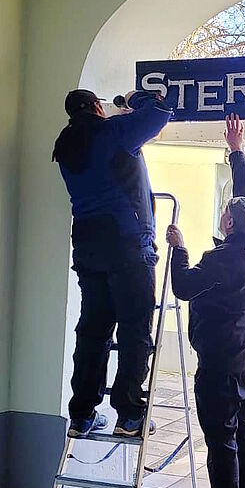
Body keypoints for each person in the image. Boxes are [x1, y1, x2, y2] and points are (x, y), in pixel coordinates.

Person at [165, 114, 245, 488]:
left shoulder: (219, 260)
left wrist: (179, 248)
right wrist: (236, 152)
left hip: (220, 370)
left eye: (225, 212)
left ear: (228, 225)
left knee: (221, 441)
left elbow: (183, 287)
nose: (224, 212)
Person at [53, 87, 172, 438]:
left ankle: (82, 414)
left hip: (89, 245)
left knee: (93, 330)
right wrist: (135, 99)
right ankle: (130, 414)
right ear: (95, 107)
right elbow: (159, 114)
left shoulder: (65, 144)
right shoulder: (113, 133)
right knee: (135, 330)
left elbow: (106, 163)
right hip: (126, 244)